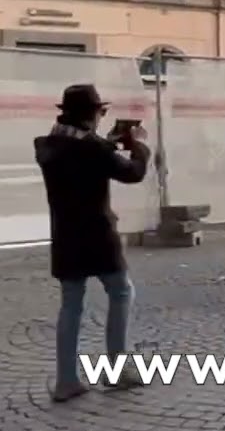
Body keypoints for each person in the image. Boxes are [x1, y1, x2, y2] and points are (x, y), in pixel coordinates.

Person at [35, 84, 151, 402]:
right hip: (98, 236)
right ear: (91, 116)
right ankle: (118, 369)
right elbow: (133, 173)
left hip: (65, 237)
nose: (102, 117)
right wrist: (139, 146)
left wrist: (107, 142)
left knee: (71, 304)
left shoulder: (48, 146)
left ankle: (66, 381)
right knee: (121, 291)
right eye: (100, 112)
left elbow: (82, 150)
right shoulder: (93, 150)